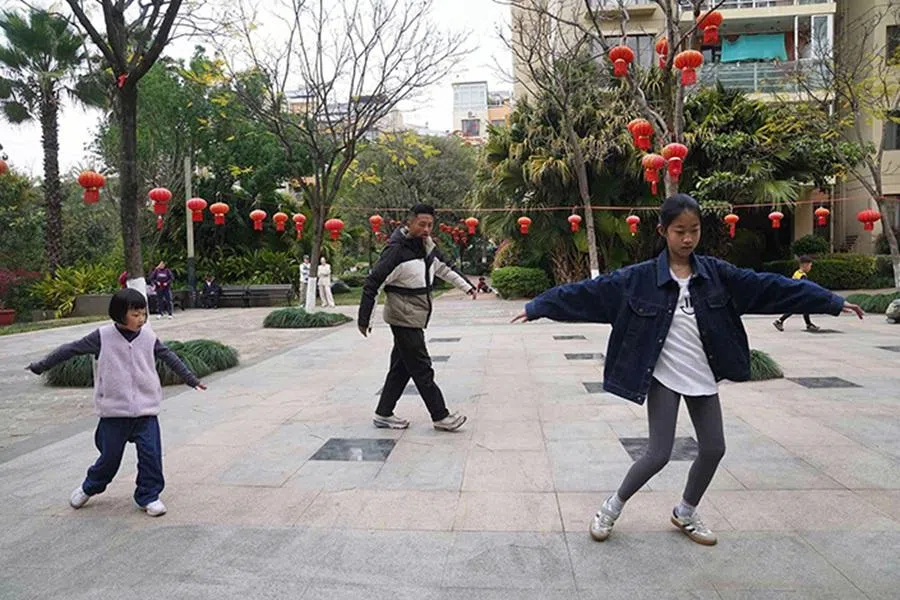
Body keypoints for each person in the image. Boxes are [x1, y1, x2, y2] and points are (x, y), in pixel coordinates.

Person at [512, 194, 864, 546]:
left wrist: (830, 301)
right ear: (663, 231)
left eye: (693, 230)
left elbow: (770, 287)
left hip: (702, 374)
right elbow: (587, 292)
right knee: (658, 454)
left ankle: (685, 512)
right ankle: (611, 507)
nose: (687, 238)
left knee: (714, 448)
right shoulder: (638, 279)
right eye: (679, 231)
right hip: (663, 376)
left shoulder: (717, 275)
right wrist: (540, 306)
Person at [25, 289, 207, 517]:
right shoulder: (102, 336)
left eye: (144, 314)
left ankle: (149, 496)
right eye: (135, 314)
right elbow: (70, 349)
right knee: (109, 459)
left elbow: (169, 356)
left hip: (145, 411)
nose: (141, 319)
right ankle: (89, 487)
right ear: (120, 314)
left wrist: (191, 379)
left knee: (151, 456)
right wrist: (41, 365)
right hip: (114, 413)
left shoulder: (148, 336)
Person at [359, 203, 477, 432]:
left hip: (417, 313)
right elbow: (373, 283)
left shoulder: (427, 247)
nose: (426, 229)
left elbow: (444, 268)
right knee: (422, 367)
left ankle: (383, 413)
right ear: (409, 223)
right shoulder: (395, 251)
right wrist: (365, 319)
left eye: (430, 225)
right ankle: (440, 415)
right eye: (421, 224)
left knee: (401, 368)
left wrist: (468, 287)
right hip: (403, 315)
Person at [772, 256, 820, 332]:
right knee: (794, 309)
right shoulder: (803, 276)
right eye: (810, 266)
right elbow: (805, 286)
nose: (810, 268)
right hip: (798, 295)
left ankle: (808, 324)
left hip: (794, 293)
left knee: (805, 308)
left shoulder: (797, 272)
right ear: (805, 265)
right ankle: (779, 321)